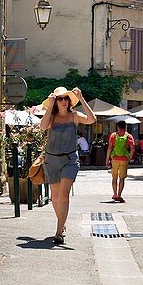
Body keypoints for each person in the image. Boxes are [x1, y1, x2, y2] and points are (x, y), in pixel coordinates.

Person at [39, 86, 97, 245]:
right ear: (56, 101)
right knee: (54, 198)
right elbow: (43, 127)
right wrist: (50, 106)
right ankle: (62, 224)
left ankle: (58, 232)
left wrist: (82, 99)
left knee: (63, 195)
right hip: (52, 159)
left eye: (66, 98)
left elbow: (92, 119)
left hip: (70, 160)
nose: (64, 101)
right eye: (60, 99)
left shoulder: (75, 116)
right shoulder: (51, 117)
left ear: (70, 101)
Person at [106, 120, 135, 202]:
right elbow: (132, 148)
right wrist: (130, 157)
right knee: (122, 178)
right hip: (124, 159)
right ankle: (119, 195)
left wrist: (107, 159)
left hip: (114, 158)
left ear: (118, 127)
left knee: (114, 177)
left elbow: (110, 147)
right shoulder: (129, 136)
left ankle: (114, 194)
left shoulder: (113, 135)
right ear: (125, 127)